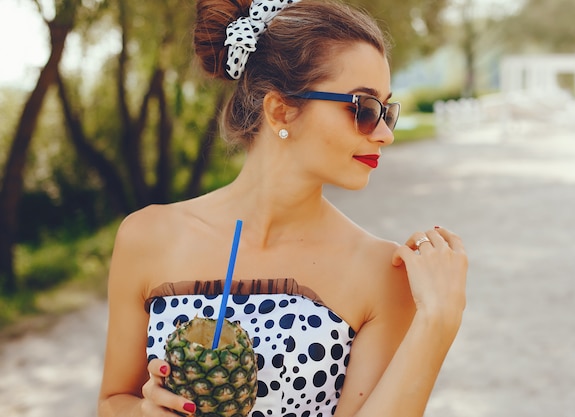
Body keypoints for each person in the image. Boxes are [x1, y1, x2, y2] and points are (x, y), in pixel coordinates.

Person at [98, 0, 468, 416]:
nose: (384, 134)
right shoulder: (147, 237)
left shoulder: (383, 272)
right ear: (280, 110)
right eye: (364, 109)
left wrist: (438, 322)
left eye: (387, 111)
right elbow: (112, 402)